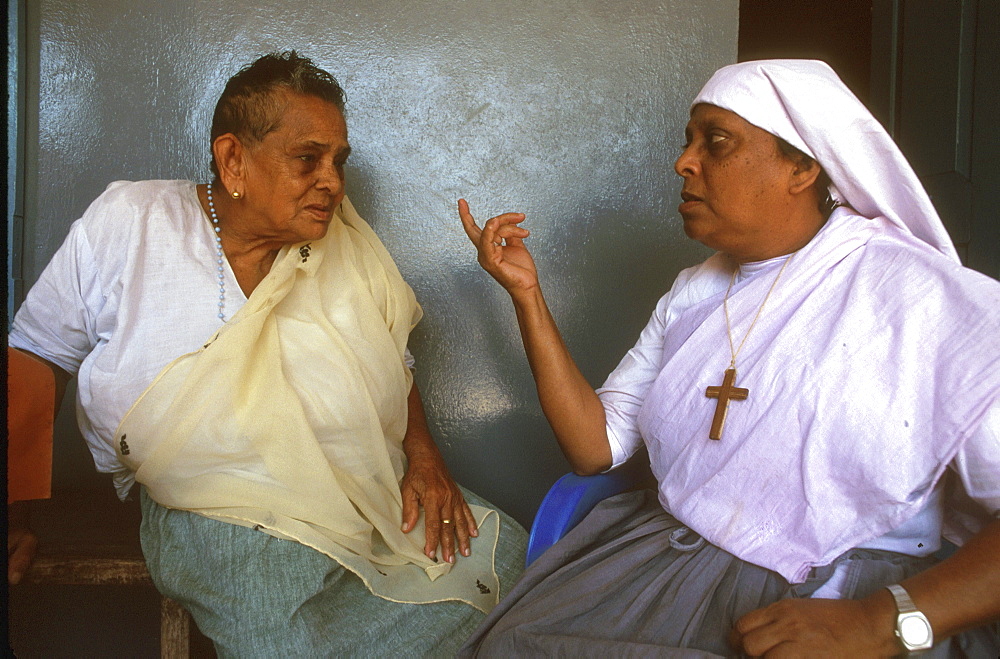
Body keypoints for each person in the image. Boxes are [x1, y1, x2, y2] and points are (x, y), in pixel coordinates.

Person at [457, 59, 999, 656]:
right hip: (669, 557)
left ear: (803, 166)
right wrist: (528, 297)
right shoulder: (693, 292)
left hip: (842, 595)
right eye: (688, 141)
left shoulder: (924, 297)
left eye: (715, 142)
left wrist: (879, 620)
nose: (684, 162)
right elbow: (596, 447)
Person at [8, 51, 526, 656]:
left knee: (503, 554)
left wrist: (424, 457)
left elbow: (392, 364)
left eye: (339, 162)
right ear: (234, 159)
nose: (331, 181)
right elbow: (35, 358)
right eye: (309, 159)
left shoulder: (345, 251)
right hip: (216, 514)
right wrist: (10, 514)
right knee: (273, 614)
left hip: (354, 492)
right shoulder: (132, 223)